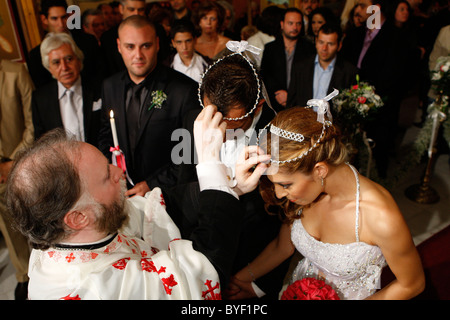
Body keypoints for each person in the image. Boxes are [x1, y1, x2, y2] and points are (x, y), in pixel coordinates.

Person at [4, 110, 247, 299]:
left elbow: (155, 208)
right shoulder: (97, 288)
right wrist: (209, 168)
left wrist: (227, 184)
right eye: (106, 177)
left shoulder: (72, 229)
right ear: (78, 218)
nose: (119, 171)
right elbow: (202, 274)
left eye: (108, 163)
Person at [225, 103, 425, 300]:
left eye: (285, 185)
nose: (278, 194)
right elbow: (282, 247)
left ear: (319, 170)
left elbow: (412, 284)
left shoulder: (379, 216)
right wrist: (239, 280)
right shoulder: (305, 191)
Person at [174, 44, 290, 299]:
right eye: (212, 115)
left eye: (232, 122)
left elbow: (291, 221)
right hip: (198, 264)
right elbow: (185, 196)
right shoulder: (192, 120)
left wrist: (258, 286)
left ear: (258, 106)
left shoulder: (281, 135)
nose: (218, 130)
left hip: (252, 269)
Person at [98, 15, 200, 198]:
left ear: (157, 44)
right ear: (119, 46)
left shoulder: (184, 90)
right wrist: (111, 170)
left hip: (169, 197)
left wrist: (153, 185)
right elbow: (106, 136)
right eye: (130, 47)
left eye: (146, 45)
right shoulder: (109, 86)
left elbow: (189, 154)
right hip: (122, 193)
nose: (138, 55)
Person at [340, 0, 409, 178]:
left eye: (362, 5)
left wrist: (371, 99)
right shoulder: (356, 33)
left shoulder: (397, 37)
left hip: (381, 107)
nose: (357, 9)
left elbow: (397, 77)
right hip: (351, 104)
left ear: (376, 8)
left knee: (378, 152)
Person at [0, 59, 34, 300]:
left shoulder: (15, 72)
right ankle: (24, 274)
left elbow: (33, 121)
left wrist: (12, 162)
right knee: (8, 224)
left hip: (21, 159)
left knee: (37, 217)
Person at [31, 32, 102, 147]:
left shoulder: (100, 89)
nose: (64, 67)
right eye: (56, 62)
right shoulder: (40, 99)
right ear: (49, 68)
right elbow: (42, 143)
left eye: (69, 59)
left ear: (79, 60)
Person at [28, 0, 104, 88]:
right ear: (44, 19)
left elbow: (101, 74)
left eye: (64, 17)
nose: (61, 24)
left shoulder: (88, 41)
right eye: (54, 18)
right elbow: (43, 90)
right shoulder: (36, 55)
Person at [287, 23, 358, 108]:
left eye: (330, 44)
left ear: (339, 46)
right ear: (316, 42)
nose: (324, 48)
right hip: (304, 119)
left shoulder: (349, 72)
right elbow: (291, 103)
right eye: (321, 42)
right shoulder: (300, 67)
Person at [260, 8, 315, 111]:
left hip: (301, 103)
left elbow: (310, 77)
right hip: (274, 103)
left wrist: (292, 96)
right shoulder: (270, 48)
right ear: (282, 24)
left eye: (298, 24)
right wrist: (276, 92)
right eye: (290, 23)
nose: (295, 27)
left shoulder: (309, 48)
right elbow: (265, 75)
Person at [100, 0, 146, 77]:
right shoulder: (108, 37)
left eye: (140, 10)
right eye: (131, 9)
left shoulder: (156, 31)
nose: (136, 14)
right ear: (121, 9)